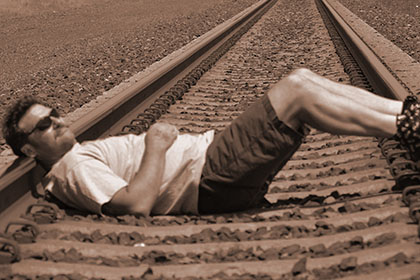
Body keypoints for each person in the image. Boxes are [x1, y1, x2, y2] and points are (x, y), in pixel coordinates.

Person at [3, 68, 418, 217]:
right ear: (27, 149)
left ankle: (407, 116)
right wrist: (156, 145)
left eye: (53, 115)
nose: (57, 122)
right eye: (44, 125)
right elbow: (133, 205)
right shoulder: (71, 169)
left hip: (212, 166)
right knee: (296, 91)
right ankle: (407, 125)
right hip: (211, 175)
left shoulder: (72, 157)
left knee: (304, 81)